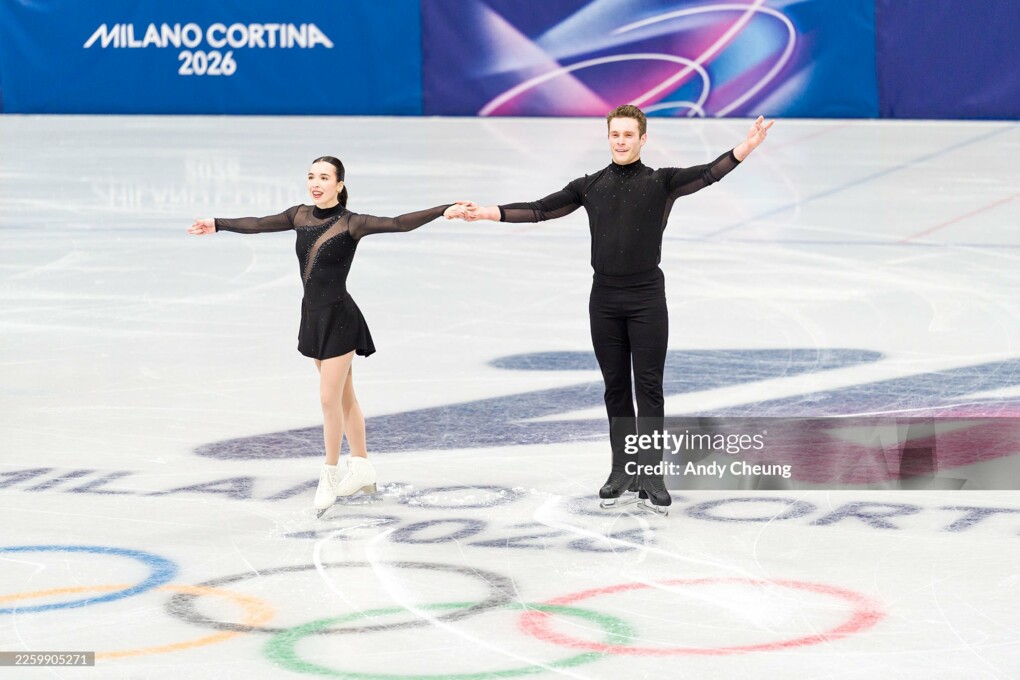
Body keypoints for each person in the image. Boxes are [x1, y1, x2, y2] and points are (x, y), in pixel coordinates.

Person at [462, 105, 774, 514]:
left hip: (647, 299)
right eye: (615, 134)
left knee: (649, 388)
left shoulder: (661, 182)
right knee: (615, 387)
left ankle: (652, 474)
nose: (621, 141)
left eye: (628, 135)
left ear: (643, 139)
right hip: (605, 300)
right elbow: (540, 209)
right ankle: (623, 470)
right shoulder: (590, 186)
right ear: (608, 137)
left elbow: (708, 173)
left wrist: (745, 148)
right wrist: (488, 212)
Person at [188, 156, 468, 516]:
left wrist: (443, 209)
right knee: (345, 396)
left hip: (340, 318)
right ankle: (362, 465)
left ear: (339, 185)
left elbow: (399, 223)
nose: (315, 184)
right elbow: (258, 224)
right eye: (311, 176)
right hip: (313, 317)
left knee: (327, 398)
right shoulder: (299, 215)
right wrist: (217, 224)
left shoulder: (352, 223)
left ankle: (330, 472)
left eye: (324, 177)